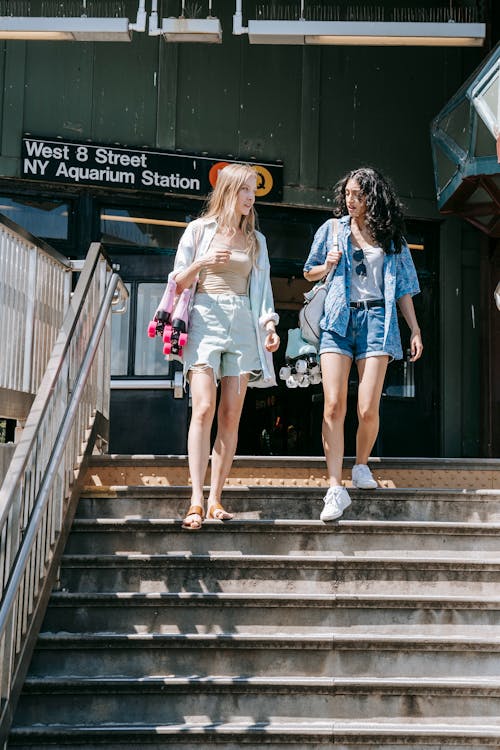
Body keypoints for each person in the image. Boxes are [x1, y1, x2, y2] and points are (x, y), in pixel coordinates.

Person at [303, 167, 423, 521]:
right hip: (338, 320)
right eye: (348, 194)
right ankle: (335, 487)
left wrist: (414, 328)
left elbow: (403, 288)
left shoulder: (392, 238)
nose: (350, 200)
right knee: (333, 404)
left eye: (358, 195)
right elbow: (308, 272)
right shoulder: (331, 229)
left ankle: (360, 465)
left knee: (368, 408)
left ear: (374, 197)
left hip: (377, 322)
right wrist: (326, 265)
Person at [172, 163, 280, 529]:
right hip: (204, 319)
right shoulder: (199, 231)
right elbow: (178, 283)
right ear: (229, 191)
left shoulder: (255, 240)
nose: (250, 197)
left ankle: (217, 496)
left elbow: (262, 292)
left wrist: (269, 327)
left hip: (242, 325)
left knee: (231, 416)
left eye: (254, 191)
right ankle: (195, 498)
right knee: (203, 407)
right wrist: (203, 261)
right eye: (245, 190)